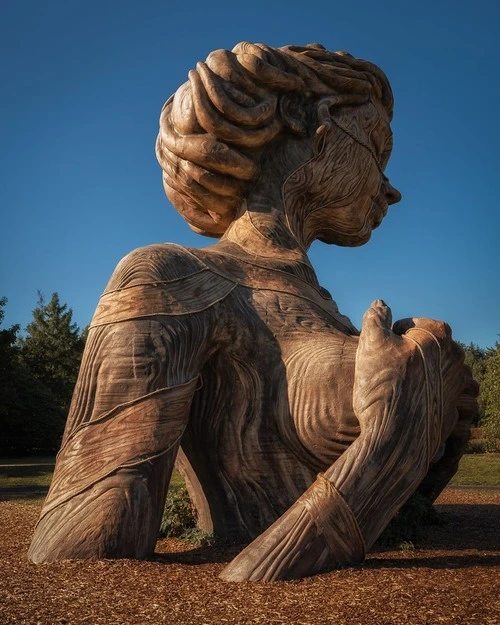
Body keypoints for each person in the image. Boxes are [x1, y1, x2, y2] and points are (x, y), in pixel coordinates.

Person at [28, 42, 476, 580]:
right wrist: (393, 430)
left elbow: (406, 508)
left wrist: (441, 417)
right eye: (376, 148)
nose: (391, 188)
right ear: (304, 122)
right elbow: (82, 553)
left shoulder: (333, 315)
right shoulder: (171, 278)